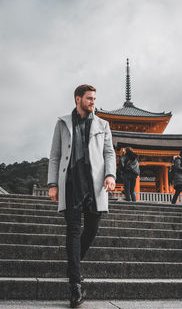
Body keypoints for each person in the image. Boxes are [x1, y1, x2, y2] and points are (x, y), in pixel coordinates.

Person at [47, 84, 116, 308]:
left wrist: (110, 175)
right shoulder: (62, 123)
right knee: (73, 230)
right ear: (78, 99)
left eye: (94, 98)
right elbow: (55, 155)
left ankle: (72, 264)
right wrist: (53, 184)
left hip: (94, 184)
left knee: (93, 228)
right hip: (71, 182)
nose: (93, 101)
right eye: (89, 98)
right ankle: (75, 284)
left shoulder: (103, 124)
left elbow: (109, 152)